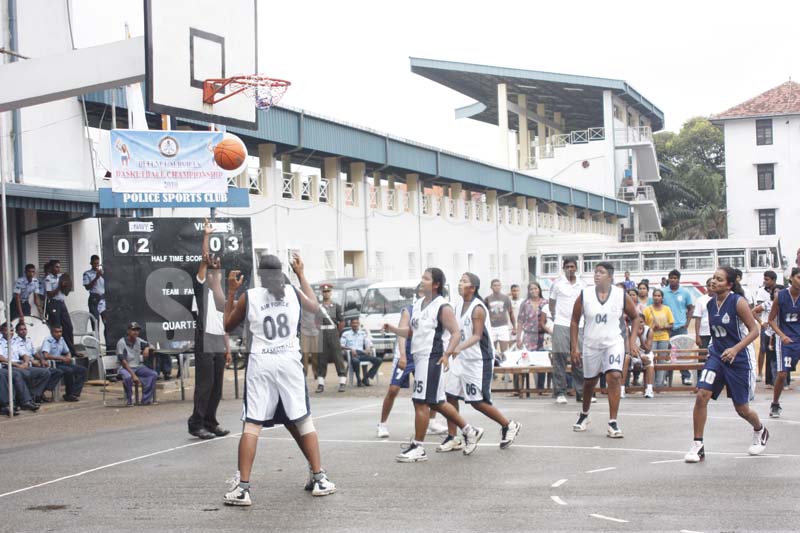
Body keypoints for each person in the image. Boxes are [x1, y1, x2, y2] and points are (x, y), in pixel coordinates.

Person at [217, 253, 336, 506]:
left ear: (260, 275)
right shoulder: (292, 291)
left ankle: (244, 489)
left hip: (262, 362)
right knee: (304, 421)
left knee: (252, 425)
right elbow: (314, 307)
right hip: (289, 361)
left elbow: (227, 325)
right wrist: (302, 274)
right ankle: (319, 478)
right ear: (282, 272)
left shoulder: (250, 297)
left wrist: (230, 292)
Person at [395, 268, 484, 463]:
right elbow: (411, 332)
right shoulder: (417, 304)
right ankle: (470, 430)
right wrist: (393, 329)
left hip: (431, 357)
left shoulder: (443, 306)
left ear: (435, 284)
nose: (422, 281)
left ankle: (418, 447)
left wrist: (446, 354)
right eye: (422, 277)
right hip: (419, 358)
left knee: (420, 401)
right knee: (436, 402)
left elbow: (456, 333)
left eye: (426, 278)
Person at [685, 266, 768, 462]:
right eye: (713, 278)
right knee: (701, 395)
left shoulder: (738, 302)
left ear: (730, 284)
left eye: (719, 279)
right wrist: (715, 352)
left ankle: (760, 430)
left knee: (742, 409)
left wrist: (735, 349)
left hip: (738, 359)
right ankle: (698, 445)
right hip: (717, 357)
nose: (714, 282)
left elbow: (754, 330)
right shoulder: (710, 304)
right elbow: (715, 334)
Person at [440, 272, 521, 452]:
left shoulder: (478, 308)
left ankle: (508, 425)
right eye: (460, 280)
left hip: (478, 359)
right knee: (449, 394)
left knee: (477, 401)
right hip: (461, 358)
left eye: (464, 281)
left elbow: (476, 336)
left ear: (473, 287)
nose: (460, 284)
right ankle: (454, 437)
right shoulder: (458, 304)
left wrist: (459, 347)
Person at [571, 262, 640, 438]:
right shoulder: (585, 294)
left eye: (601, 272)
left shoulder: (620, 295)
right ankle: (585, 414)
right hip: (590, 343)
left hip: (613, 342)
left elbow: (635, 317)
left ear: (610, 277)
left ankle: (613, 422)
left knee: (615, 377)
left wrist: (632, 341)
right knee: (589, 383)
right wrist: (574, 347)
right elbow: (574, 320)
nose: (596, 275)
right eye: (595, 272)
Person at [378, 285, 448, 439]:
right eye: (422, 292)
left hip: (423, 355)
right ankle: (382, 423)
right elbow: (403, 334)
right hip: (407, 355)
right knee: (393, 390)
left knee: (431, 390)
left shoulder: (433, 309)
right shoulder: (409, 309)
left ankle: (432, 421)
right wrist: (402, 355)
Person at [188, 220, 232, 439]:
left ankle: (210, 422)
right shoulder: (201, 286)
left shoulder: (219, 294)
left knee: (216, 387)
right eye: (213, 266)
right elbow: (204, 259)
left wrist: (227, 348)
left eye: (218, 267)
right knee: (204, 385)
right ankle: (196, 424)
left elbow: (224, 324)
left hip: (216, 340)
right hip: (204, 337)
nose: (216, 266)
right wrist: (206, 236)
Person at [549, 257, 586, 404]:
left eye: (572, 266)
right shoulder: (557, 284)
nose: (570, 269)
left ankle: (581, 392)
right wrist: (557, 318)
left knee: (579, 358)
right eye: (567, 266)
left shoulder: (582, 285)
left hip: (579, 325)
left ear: (576, 268)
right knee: (559, 358)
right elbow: (551, 305)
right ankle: (560, 392)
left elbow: (586, 304)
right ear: (563, 268)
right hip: (561, 324)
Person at [767, 267, 800, 418]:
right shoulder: (780, 296)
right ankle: (775, 403)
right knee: (782, 374)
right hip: (785, 340)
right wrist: (781, 335)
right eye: (799, 277)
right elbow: (771, 320)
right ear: (791, 278)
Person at [515, 281, 551, 391]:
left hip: (543, 337)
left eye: (535, 288)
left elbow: (550, 319)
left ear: (539, 289)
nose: (534, 291)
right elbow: (520, 321)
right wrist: (518, 337)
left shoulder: (546, 302)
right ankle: (521, 389)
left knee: (542, 361)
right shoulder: (525, 304)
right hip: (528, 337)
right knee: (525, 362)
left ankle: (540, 388)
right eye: (531, 289)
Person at [662, 269, 694, 386]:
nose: (673, 280)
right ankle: (664, 377)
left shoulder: (685, 292)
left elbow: (691, 308)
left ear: (679, 280)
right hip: (667, 328)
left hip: (681, 327)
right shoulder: (663, 292)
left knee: (682, 353)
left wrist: (687, 322)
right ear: (668, 279)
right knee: (666, 353)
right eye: (671, 277)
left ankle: (686, 377)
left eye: (675, 278)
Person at [116, 322, 158, 406]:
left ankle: (145, 400)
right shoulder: (122, 342)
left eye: (137, 330)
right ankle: (129, 400)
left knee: (153, 374)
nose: (136, 332)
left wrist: (147, 348)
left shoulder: (138, 340)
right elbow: (123, 361)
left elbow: (152, 346)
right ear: (128, 331)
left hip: (138, 367)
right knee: (128, 377)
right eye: (133, 330)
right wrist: (133, 375)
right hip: (124, 368)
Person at [0, 323, 40, 411]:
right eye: (7, 330)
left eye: (11, 330)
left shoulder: (14, 341)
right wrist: (19, 365)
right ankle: (21, 402)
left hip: (18, 364)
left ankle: (33, 397)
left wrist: (26, 362)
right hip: (7, 365)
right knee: (19, 374)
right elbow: (2, 358)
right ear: (2, 331)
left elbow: (24, 354)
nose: (10, 333)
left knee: (43, 372)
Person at [8, 322, 51, 404]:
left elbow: (30, 354)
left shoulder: (28, 340)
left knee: (48, 372)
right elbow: (19, 357)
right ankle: (31, 397)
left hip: (26, 364)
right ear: (17, 332)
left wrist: (41, 360)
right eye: (21, 330)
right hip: (16, 365)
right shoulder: (15, 341)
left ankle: (36, 394)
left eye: (25, 329)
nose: (23, 331)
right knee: (27, 374)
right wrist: (30, 362)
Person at [41, 324, 86, 402]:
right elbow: (46, 355)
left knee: (82, 370)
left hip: (63, 362)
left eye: (60, 332)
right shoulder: (48, 340)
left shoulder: (61, 339)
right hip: (53, 364)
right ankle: (69, 393)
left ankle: (74, 393)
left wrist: (68, 356)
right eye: (56, 332)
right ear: (52, 332)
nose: (59, 334)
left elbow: (67, 351)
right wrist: (62, 358)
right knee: (69, 371)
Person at [316, 283, 347, 393]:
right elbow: (315, 321)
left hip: (333, 331)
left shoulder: (336, 306)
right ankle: (320, 384)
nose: (326, 293)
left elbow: (342, 321)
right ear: (322, 293)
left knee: (338, 357)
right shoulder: (318, 307)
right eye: (324, 291)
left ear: (331, 292)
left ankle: (342, 382)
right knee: (321, 358)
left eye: (328, 291)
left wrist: (337, 333)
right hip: (322, 332)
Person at [44, 260, 77, 357]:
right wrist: (59, 286)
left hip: (62, 303)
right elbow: (49, 294)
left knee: (68, 327)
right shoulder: (48, 279)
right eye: (56, 267)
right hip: (53, 304)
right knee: (56, 329)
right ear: (51, 268)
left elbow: (66, 291)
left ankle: (72, 351)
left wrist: (66, 286)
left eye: (59, 267)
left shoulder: (61, 277)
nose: (58, 269)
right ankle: (58, 353)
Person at [644, 289, 674, 387]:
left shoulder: (667, 309)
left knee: (661, 360)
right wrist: (651, 328)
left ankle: (659, 384)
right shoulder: (647, 309)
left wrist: (662, 327)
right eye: (655, 295)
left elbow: (671, 324)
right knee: (650, 360)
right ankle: (650, 384)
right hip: (651, 338)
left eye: (658, 296)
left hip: (663, 337)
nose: (656, 297)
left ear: (662, 298)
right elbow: (643, 324)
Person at [340, 318, 381, 386]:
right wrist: (350, 349)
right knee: (355, 361)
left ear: (359, 324)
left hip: (362, 355)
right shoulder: (346, 334)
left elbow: (369, 343)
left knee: (379, 360)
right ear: (351, 324)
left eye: (356, 323)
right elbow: (341, 346)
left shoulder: (363, 333)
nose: (355, 325)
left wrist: (368, 348)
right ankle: (359, 380)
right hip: (352, 355)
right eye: (353, 323)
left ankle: (365, 378)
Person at [754, 271, 778, 383]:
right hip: (766, 324)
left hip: (777, 325)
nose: (765, 281)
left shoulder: (780, 290)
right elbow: (757, 309)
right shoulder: (761, 292)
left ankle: (777, 375)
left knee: (775, 350)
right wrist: (761, 322)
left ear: (773, 280)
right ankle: (760, 373)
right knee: (763, 349)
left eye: (767, 279)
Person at [485, 279, 516, 356]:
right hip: (492, 327)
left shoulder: (505, 298)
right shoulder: (487, 299)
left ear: (501, 286)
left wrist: (514, 327)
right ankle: (494, 366)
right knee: (492, 351)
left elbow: (511, 313)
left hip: (503, 327)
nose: (497, 287)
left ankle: (504, 366)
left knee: (505, 351)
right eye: (494, 285)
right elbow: (484, 314)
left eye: (498, 285)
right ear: (491, 287)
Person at [629, 317, 655, 398]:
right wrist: (639, 357)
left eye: (641, 322)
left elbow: (647, 350)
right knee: (626, 359)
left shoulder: (649, 330)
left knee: (650, 361)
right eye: (637, 322)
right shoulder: (629, 329)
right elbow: (628, 347)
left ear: (645, 322)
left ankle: (649, 389)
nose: (639, 324)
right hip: (633, 354)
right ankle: (622, 388)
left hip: (645, 354)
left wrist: (640, 337)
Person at [82, 255, 106, 331]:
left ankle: (108, 341)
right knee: (95, 322)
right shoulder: (87, 274)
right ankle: (96, 341)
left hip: (103, 299)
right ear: (91, 263)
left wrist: (103, 275)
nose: (96, 265)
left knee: (106, 322)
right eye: (95, 263)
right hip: (94, 299)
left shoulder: (102, 273)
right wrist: (96, 277)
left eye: (98, 263)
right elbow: (87, 287)